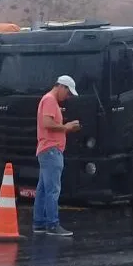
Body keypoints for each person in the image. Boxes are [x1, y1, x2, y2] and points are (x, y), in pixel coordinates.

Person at [33, 75, 81, 237]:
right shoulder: (50, 100)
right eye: (68, 93)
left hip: (47, 150)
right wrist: (66, 127)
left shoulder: (49, 101)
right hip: (51, 150)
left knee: (43, 189)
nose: (67, 97)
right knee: (53, 189)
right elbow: (47, 123)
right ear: (62, 87)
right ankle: (52, 224)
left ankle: (39, 222)